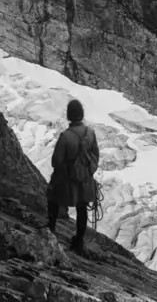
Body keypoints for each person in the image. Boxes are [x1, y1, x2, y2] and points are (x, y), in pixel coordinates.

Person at [46, 99, 100, 255]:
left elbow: (56, 161)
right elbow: (95, 155)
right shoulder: (90, 133)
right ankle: (79, 240)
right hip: (84, 179)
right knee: (82, 207)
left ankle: (51, 227)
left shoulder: (65, 136)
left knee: (52, 195)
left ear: (69, 116)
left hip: (68, 180)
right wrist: (87, 171)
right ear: (81, 114)